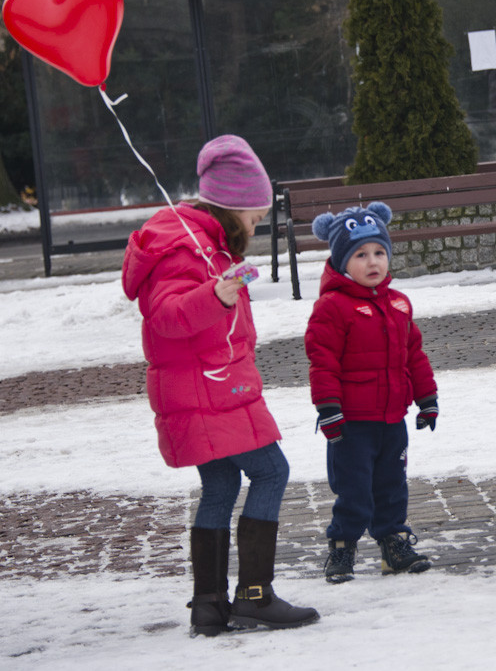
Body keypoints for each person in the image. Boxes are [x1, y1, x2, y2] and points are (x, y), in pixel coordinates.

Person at [122, 135, 319, 635]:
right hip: (208, 392)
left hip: (207, 389)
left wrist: (221, 289)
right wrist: (216, 295)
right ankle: (254, 595)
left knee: (222, 483)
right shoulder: (183, 247)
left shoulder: (200, 242)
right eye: (253, 219)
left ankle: (209, 604)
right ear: (231, 209)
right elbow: (165, 316)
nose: (255, 228)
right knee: (272, 471)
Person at [304, 201, 438, 584]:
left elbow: (414, 354)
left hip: (392, 418)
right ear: (342, 261)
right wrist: (328, 408)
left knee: (392, 486)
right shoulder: (332, 307)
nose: (372, 261)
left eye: (379, 252)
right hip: (351, 422)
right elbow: (322, 360)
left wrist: (427, 399)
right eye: (361, 255)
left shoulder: (398, 304)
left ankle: (393, 546)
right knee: (354, 490)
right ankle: (342, 549)